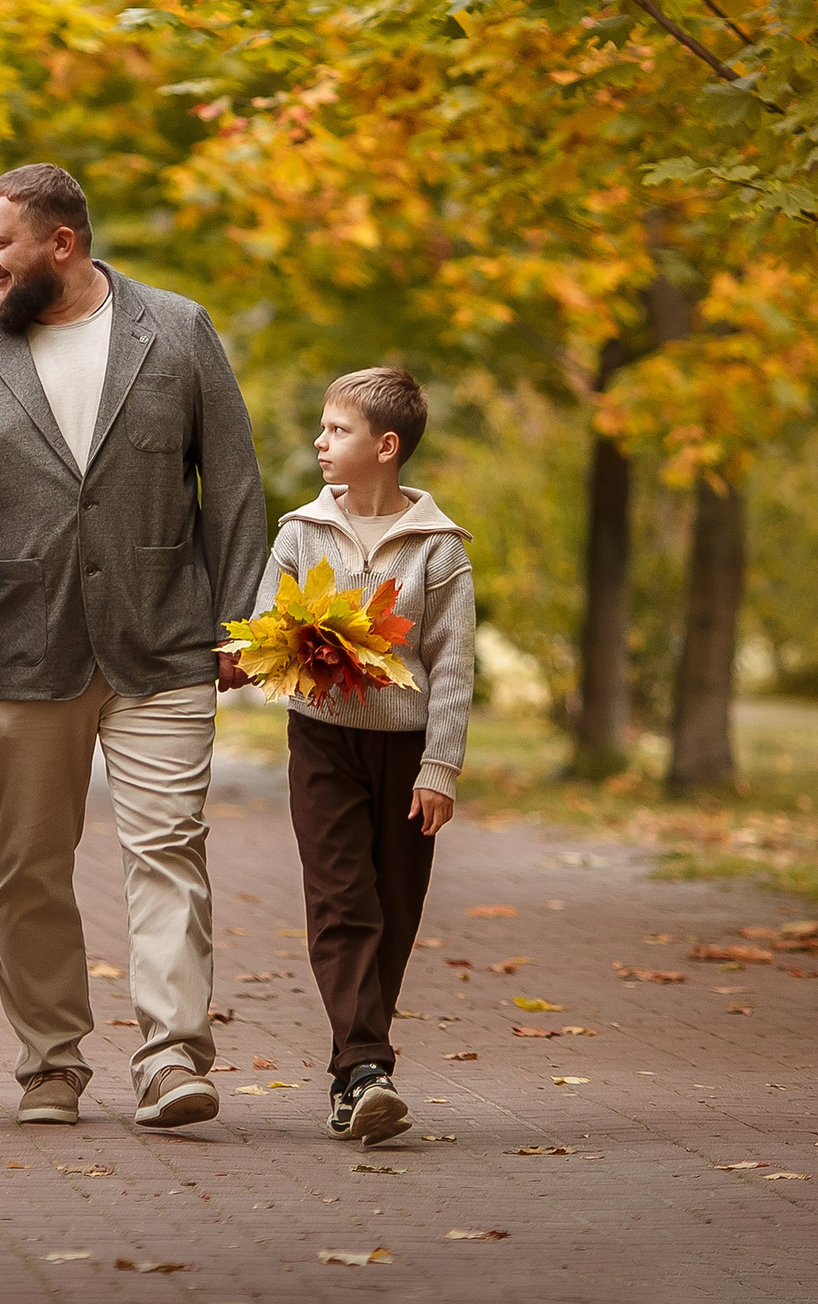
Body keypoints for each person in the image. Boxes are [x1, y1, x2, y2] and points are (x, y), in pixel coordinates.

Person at [0, 163, 267, 1129]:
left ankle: (171, 1055)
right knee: (28, 865)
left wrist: (244, 622)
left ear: (59, 244)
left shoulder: (179, 329)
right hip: (24, 649)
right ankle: (50, 1063)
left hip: (165, 638)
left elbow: (232, 483)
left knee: (168, 850)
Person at [257, 367, 475, 1147]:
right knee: (342, 898)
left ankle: (355, 1077)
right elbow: (263, 625)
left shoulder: (440, 551)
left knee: (393, 911)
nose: (319, 441)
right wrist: (300, 641)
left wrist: (439, 768)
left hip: (407, 747)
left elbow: (452, 664)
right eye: (321, 428)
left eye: (337, 430)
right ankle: (366, 1066)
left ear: (385, 447)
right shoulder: (299, 533)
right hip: (322, 737)